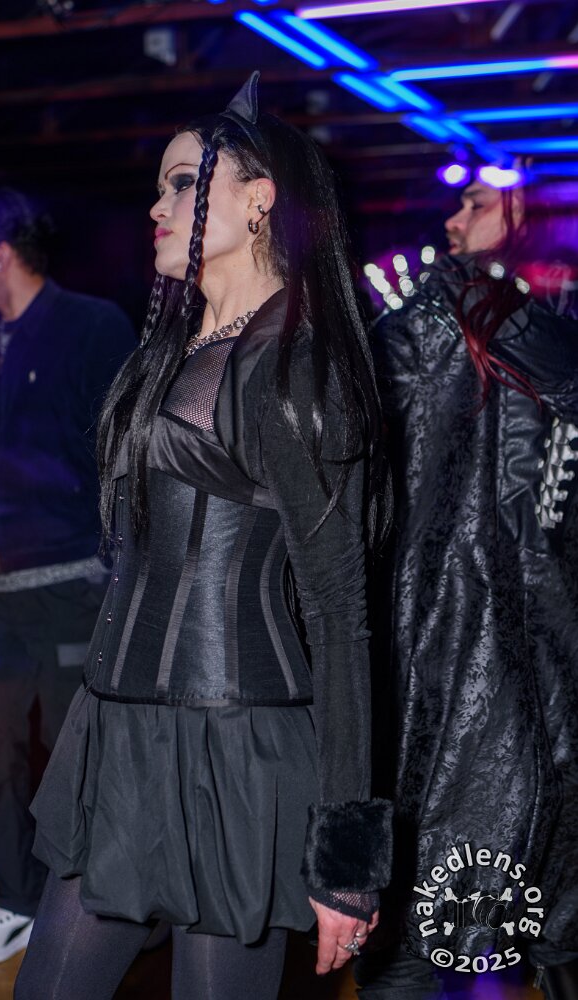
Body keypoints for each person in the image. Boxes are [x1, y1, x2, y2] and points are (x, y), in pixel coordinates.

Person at [14, 72, 393, 1000]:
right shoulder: (177, 348)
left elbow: (341, 611)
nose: (158, 205)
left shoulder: (298, 365)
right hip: (120, 729)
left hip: (238, 750)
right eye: (159, 187)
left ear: (260, 199)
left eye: (183, 182)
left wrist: (349, 860)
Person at [357, 175, 578, 999]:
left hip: (498, 656)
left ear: (531, 214)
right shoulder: (444, 317)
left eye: (476, 203)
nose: (453, 218)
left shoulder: (463, 317)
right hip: (471, 650)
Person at [0, 189, 136, 964]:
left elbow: (125, 453)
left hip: (70, 586)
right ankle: (17, 898)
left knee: (78, 764)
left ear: (1, 253)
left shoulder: (93, 327)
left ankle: (99, 909)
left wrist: (120, 566)